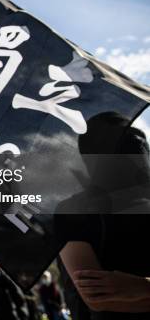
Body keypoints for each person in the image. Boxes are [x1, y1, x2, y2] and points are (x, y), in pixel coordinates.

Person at [56, 112, 150, 319]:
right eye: (123, 144)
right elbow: (99, 299)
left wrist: (142, 287)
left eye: (136, 139)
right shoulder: (73, 210)